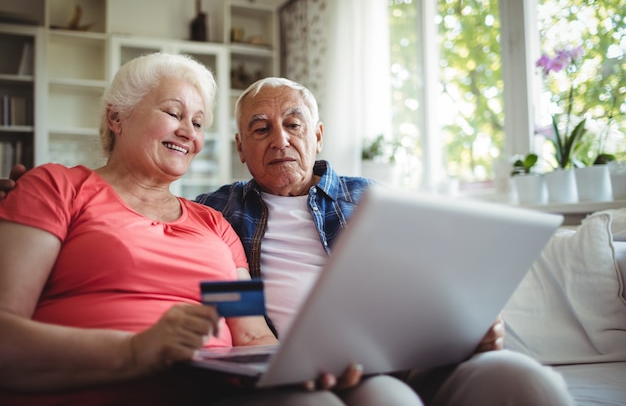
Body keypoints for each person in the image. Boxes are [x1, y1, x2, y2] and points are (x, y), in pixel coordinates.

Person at [0, 76, 575, 405]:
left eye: (294, 124)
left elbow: (242, 322)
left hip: (405, 357)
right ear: (241, 150)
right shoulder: (219, 213)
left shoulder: (216, 226)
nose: (280, 139)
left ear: (317, 133)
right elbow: (239, 322)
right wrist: (282, 359)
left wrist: (468, 320)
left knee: (524, 380)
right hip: (312, 374)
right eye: (259, 128)